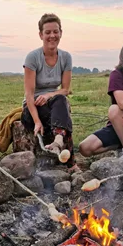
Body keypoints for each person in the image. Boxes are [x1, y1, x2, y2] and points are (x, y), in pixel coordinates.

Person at [21, 13, 80, 172]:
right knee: (63, 108)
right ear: (41, 35)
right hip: (32, 108)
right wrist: (37, 121)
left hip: (54, 105)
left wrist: (48, 95)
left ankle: (58, 141)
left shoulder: (66, 57)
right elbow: (28, 94)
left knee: (61, 100)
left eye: (55, 31)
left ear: (61, 33)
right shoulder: (33, 57)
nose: (52, 35)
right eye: (47, 32)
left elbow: (65, 89)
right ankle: (71, 164)